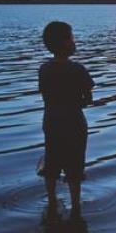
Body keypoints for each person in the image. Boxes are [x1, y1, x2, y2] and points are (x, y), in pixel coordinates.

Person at [38, 21, 94, 213]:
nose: (74, 40)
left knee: (52, 160)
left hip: (51, 121)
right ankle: (76, 205)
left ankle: (52, 200)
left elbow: (45, 95)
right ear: (64, 43)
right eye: (71, 37)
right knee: (75, 164)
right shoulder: (78, 70)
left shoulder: (44, 69)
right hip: (74, 123)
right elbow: (88, 99)